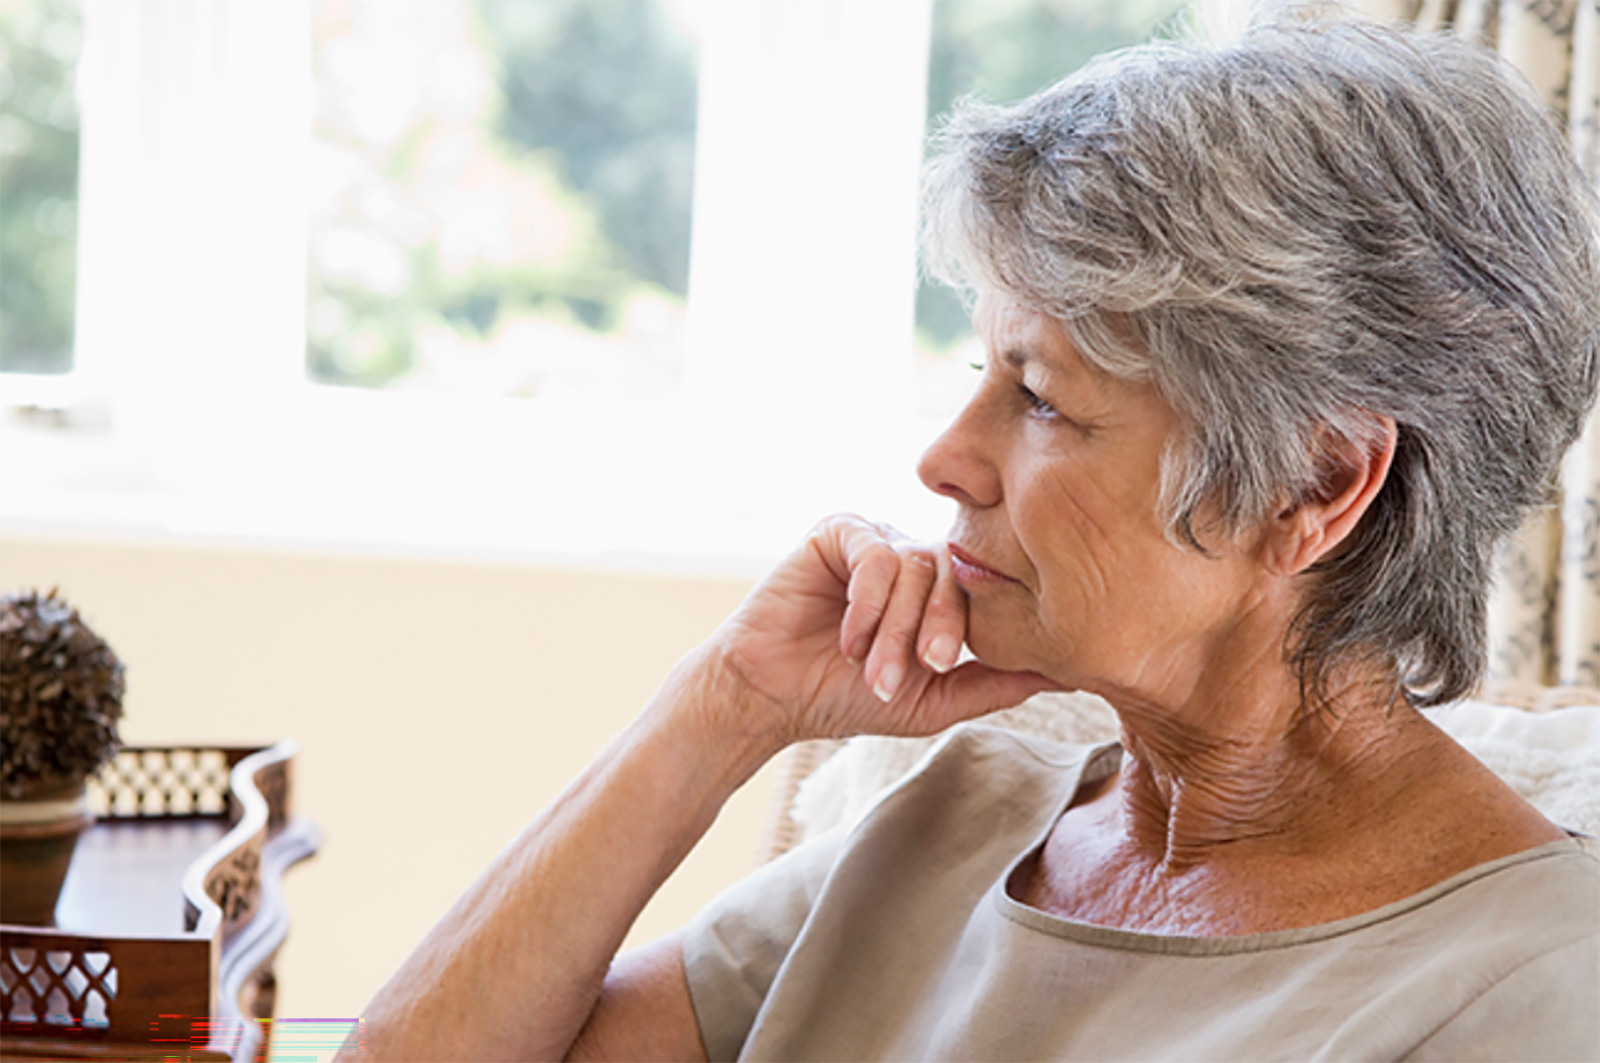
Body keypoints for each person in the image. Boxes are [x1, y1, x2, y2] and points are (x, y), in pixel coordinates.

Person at [346, 13, 1600, 1062]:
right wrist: (719, 707)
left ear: (1313, 483)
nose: (944, 458)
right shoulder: (954, 819)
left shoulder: (1531, 984)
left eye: (1042, 396)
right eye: (979, 372)